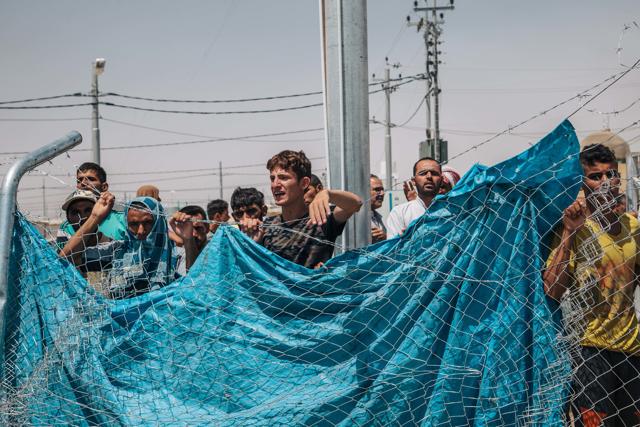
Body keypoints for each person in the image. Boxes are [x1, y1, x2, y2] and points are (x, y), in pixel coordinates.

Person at [543, 144, 640, 426]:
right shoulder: (576, 227)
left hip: (631, 346)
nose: (606, 182)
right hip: (590, 349)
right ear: (582, 183)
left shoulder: (632, 227)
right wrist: (569, 234)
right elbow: (552, 289)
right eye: (596, 176)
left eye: (611, 174)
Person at [239, 150, 362, 268]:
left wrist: (328, 194)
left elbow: (356, 204)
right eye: (272, 178)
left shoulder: (320, 219)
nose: (275, 185)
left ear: (303, 183)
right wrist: (254, 243)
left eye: (283, 177)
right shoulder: (267, 227)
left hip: (313, 289)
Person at [59, 193, 175, 299]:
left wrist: (189, 242)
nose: (140, 231)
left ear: (159, 222)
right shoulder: (117, 251)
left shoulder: (176, 256)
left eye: (147, 223)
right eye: (134, 224)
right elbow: (65, 258)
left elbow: (190, 286)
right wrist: (95, 217)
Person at [59, 162, 126, 240]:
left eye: (90, 179)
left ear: (104, 187)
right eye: (79, 180)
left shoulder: (122, 220)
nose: (83, 183)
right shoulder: (68, 226)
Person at [55, 190, 112, 276]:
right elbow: (63, 261)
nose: (82, 217)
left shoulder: (111, 245)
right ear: (68, 218)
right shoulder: (64, 246)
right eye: (75, 212)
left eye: (88, 210)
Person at [386, 157, 442, 238]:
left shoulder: (452, 211)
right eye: (423, 173)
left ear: (441, 179)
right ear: (413, 181)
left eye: (434, 173)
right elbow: (392, 247)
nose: (429, 176)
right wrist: (405, 240)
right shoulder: (400, 213)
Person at [170, 205, 209, 276]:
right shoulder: (174, 255)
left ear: (207, 228)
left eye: (197, 228)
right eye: (188, 229)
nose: (193, 234)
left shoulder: (215, 251)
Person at [370, 174, 387, 243]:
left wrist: (385, 237)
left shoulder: (377, 217)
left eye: (382, 190)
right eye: (377, 190)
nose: (382, 193)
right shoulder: (354, 218)